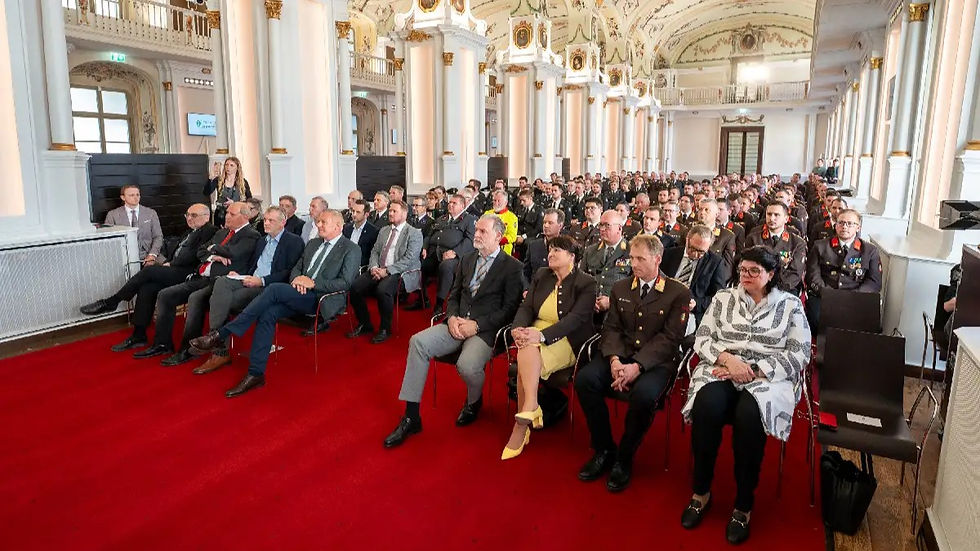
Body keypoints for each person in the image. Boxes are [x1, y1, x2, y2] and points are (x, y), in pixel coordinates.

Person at [680, 246, 811, 545]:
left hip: (767, 376)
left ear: (771, 274)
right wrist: (729, 360)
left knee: (749, 416)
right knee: (707, 407)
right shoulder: (723, 298)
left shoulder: (790, 305)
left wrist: (753, 369)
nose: (746, 276)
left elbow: (800, 353)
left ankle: (743, 504)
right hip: (723, 367)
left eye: (754, 271)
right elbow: (703, 338)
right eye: (742, 270)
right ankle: (701, 492)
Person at [383, 214, 524, 448]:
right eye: (476, 230)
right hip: (457, 323)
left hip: (485, 330)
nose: (476, 235)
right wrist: (451, 318)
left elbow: (510, 310)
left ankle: (473, 402)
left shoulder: (512, 267)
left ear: (498, 237)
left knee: (467, 366)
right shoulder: (467, 259)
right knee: (418, 342)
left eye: (482, 232)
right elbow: (454, 294)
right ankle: (411, 416)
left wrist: (477, 325)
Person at [190, 210, 361, 397]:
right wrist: (298, 280)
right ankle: (255, 373)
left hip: (321, 297)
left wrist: (312, 283)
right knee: (268, 313)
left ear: (338, 226)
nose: (318, 225)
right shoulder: (313, 244)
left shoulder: (351, 249)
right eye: (318, 221)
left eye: (323, 222)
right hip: (298, 291)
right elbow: (297, 268)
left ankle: (221, 333)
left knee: (273, 289)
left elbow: (345, 283)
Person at [575, 235, 691, 492]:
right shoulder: (621, 287)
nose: (633, 263)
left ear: (657, 259)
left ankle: (624, 457)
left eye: (640, 259)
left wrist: (637, 366)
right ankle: (604, 447)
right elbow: (612, 328)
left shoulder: (678, 292)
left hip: (655, 362)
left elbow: (670, 339)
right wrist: (615, 360)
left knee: (644, 396)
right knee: (585, 380)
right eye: (632, 257)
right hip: (621, 354)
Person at [163, 206, 304, 367]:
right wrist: (239, 274)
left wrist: (262, 281)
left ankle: (218, 348)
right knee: (222, 281)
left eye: (271, 220)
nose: (266, 223)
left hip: (268, 287)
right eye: (265, 219)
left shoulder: (293, 241)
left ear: (282, 222)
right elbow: (252, 265)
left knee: (222, 299)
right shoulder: (263, 240)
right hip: (249, 279)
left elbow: (290, 273)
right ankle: (214, 343)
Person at [504, 236, 597, 459]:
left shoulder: (586, 283)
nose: (551, 253)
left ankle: (522, 424)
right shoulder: (542, 275)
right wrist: (518, 328)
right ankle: (530, 409)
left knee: (528, 347)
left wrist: (541, 335)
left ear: (572, 257)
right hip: (534, 334)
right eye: (550, 249)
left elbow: (574, 320)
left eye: (558, 250)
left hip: (567, 339)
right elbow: (527, 307)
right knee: (528, 345)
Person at [132, 202, 260, 359]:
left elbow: (232, 253)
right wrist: (213, 253)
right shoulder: (222, 233)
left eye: (231, 214)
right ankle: (162, 344)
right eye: (227, 212)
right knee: (165, 295)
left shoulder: (251, 235)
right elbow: (200, 252)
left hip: (221, 282)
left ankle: (188, 349)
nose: (226, 216)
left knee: (195, 298)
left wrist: (212, 248)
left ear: (245, 216)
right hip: (201, 277)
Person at [80, 204, 217, 350]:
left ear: (206, 217)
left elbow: (196, 255)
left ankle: (112, 301)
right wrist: (168, 262)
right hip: (174, 269)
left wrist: (170, 264)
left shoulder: (210, 231)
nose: (189, 218)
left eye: (194, 215)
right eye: (187, 215)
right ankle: (139, 335)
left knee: (149, 271)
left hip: (189, 273)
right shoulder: (188, 232)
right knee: (147, 288)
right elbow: (175, 252)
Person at [347, 200, 423, 344]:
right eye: (390, 211)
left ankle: (385, 329)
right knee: (355, 287)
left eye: (394, 211)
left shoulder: (414, 233)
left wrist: (387, 271)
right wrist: (374, 267)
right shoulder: (384, 230)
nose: (390, 213)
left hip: (399, 272)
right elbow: (375, 251)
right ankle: (365, 324)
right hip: (378, 269)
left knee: (383, 290)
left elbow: (410, 259)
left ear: (405, 213)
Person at [805, 209, 882, 329]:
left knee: (865, 326)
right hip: (825, 295)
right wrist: (829, 294)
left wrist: (852, 296)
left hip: (856, 298)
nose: (844, 227)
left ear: (858, 227)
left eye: (850, 224)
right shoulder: (820, 246)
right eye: (841, 223)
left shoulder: (869, 251)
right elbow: (812, 276)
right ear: (835, 225)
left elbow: (874, 282)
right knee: (816, 320)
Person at [405, 194, 476, 313]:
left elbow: (470, 240)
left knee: (446, 267)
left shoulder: (469, 220)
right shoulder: (442, 218)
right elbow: (429, 235)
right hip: (435, 253)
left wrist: (455, 252)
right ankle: (422, 299)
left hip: (455, 256)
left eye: (454, 203)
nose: (450, 205)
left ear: (463, 206)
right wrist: (425, 247)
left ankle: (439, 304)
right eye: (450, 203)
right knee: (419, 264)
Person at [661, 225, 729, 327]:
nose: (696, 255)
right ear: (687, 239)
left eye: (701, 252)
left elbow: (718, 297)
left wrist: (696, 304)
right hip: (664, 305)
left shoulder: (715, 263)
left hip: (691, 313)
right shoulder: (669, 254)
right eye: (692, 248)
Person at [744, 203, 807, 294]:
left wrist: (775, 291)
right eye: (769, 214)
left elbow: (795, 273)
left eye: (776, 215)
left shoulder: (797, 242)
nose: (772, 218)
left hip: (785, 290)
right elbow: (747, 266)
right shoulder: (753, 238)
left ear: (786, 219)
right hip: (757, 287)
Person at [580, 210, 632, 315]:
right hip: (590, 307)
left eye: (607, 225)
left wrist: (612, 301)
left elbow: (634, 287)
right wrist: (589, 300)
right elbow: (581, 280)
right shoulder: (591, 251)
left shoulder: (631, 251)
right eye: (601, 225)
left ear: (619, 228)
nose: (602, 229)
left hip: (619, 310)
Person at [103, 184, 164, 266]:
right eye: (131, 195)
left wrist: (152, 255)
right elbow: (108, 241)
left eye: (137, 195)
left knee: (167, 269)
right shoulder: (113, 215)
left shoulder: (150, 213)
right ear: (123, 197)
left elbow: (158, 236)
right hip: (125, 257)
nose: (136, 198)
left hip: (149, 254)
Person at [204, 157, 251, 228]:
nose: (228, 167)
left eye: (231, 165)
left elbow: (249, 200)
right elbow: (206, 192)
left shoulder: (243, 182)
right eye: (226, 165)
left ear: (237, 168)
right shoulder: (219, 180)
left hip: (236, 213)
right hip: (220, 214)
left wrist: (234, 203)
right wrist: (211, 178)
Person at [342, 199, 379, 268]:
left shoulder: (373, 231)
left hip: (360, 267)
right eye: (353, 211)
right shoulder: (346, 228)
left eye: (358, 212)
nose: (354, 214)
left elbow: (372, 255)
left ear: (366, 214)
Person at [485, 189, 518, 255]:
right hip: (486, 248)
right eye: (494, 200)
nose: (496, 203)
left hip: (503, 250)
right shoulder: (487, 214)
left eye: (499, 201)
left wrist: (496, 241)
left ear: (506, 202)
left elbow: (512, 236)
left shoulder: (512, 217)